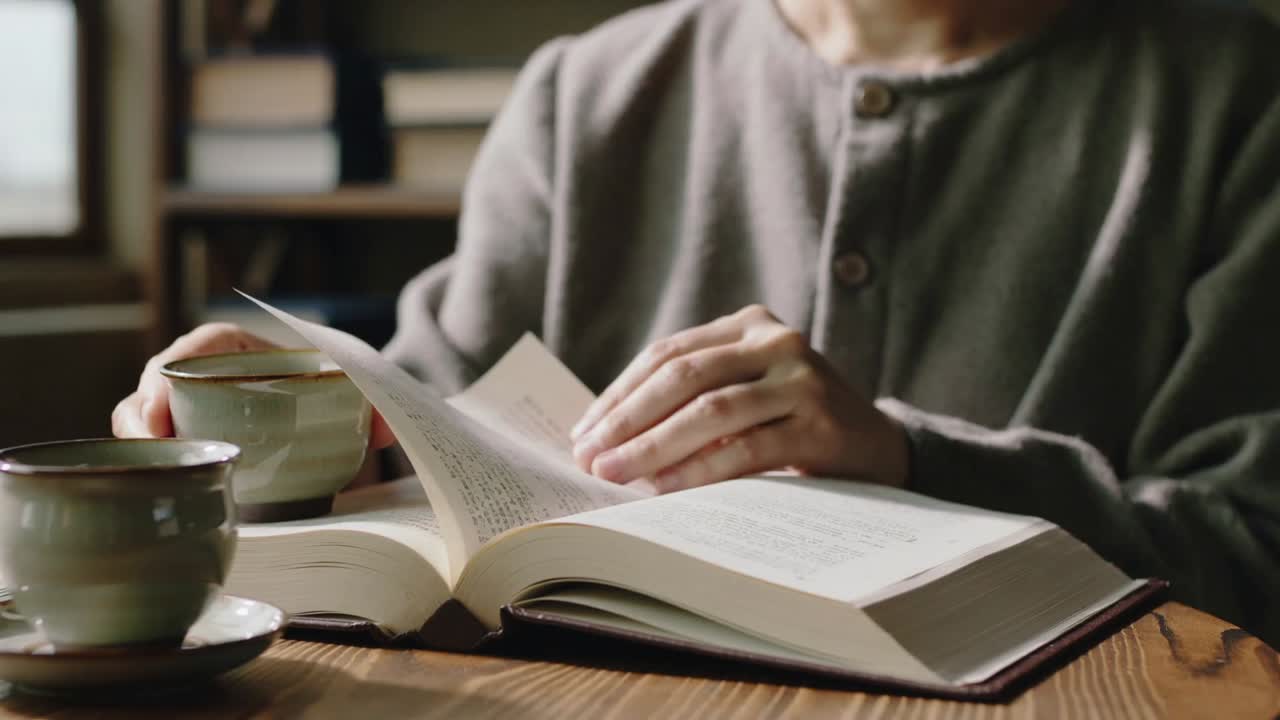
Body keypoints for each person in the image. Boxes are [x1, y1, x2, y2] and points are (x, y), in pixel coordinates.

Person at [115, 0, 1280, 644]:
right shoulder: (586, 94)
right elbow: (424, 425)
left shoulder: (1236, 98)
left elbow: (1252, 548)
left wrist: (905, 458)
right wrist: (290, 409)